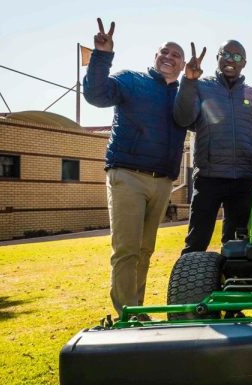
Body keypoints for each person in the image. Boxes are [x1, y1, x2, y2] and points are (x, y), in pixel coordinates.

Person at [83, 18, 187, 318]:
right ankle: (127, 314)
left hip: (162, 181)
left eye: (175, 55)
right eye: (164, 52)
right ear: (155, 56)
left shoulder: (182, 95)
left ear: (181, 65)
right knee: (126, 250)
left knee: (144, 251)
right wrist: (102, 55)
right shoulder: (132, 80)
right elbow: (96, 95)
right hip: (127, 175)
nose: (168, 57)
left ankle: (137, 309)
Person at [174, 40, 252, 252]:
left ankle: (230, 284)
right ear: (217, 57)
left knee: (236, 245)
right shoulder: (201, 86)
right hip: (209, 177)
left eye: (237, 57)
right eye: (226, 54)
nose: (231, 60)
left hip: (243, 180)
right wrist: (188, 81)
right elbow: (183, 119)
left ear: (244, 63)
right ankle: (191, 284)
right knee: (196, 243)